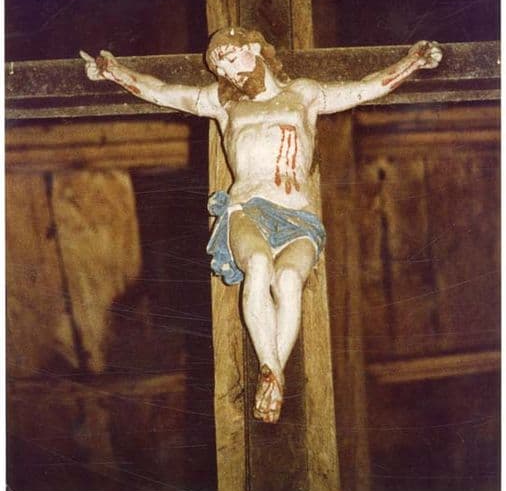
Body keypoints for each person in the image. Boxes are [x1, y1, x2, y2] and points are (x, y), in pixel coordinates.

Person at [81, 27, 442, 423]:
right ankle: (270, 368)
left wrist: (413, 61)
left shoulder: (303, 94)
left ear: (253, 48)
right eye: (221, 70)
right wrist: (114, 71)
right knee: (257, 265)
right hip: (247, 209)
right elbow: (164, 91)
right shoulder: (224, 104)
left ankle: (274, 373)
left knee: (288, 280)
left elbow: (364, 88)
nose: (229, 74)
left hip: (297, 215)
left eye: (230, 59)